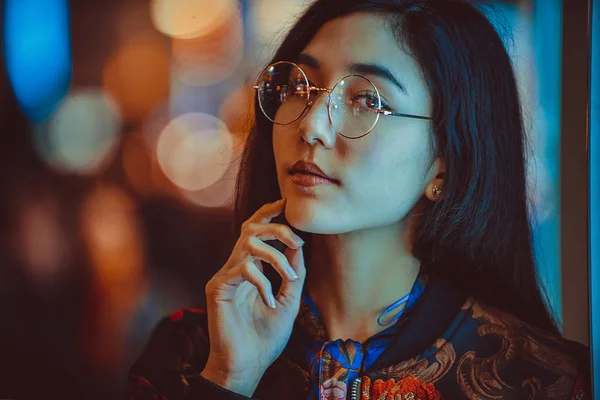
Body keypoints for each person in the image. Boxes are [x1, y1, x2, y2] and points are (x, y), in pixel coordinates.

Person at [128, 0, 590, 398]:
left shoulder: (536, 378)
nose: (310, 126)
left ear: (444, 163)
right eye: (298, 87)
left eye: (367, 100)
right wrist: (230, 378)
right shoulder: (188, 352)